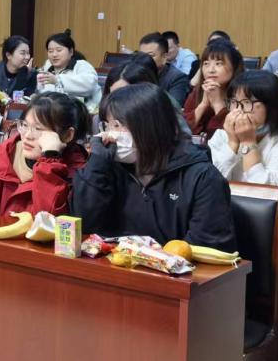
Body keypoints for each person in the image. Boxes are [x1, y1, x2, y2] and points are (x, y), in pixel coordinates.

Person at [71, 83, 236, 251]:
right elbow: (83, 227)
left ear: (149, 126)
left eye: (117, 125)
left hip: (173, 265)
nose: (108, 134)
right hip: (112, 262)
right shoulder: (109, 167)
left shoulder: (202, 177)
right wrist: (97, 164)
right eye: (106, 125)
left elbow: (206, 248)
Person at [0, 92, 88, 221]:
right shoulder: (0, 156)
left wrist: (50, 158)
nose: (27, 136)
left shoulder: (80, 175)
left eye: (38, 129)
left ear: (67, 135)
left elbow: (47, 222)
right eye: (25, 125)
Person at [209, 71, 278, 189]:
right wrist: (233, 143)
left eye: (247, 102)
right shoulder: (221, 137)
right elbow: (209, 184)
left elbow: (268, 193)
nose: (238, 110)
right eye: (234, 102)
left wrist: (248, 143)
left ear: (271, 107)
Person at [182, 40, 243, 138]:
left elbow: (229, 136)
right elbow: (182, 130)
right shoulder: (198, 91)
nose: (210, 70)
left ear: (234, 67)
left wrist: (217, 104)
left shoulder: (242, 94)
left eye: (218, 64)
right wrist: (203, 104)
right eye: (206, 64)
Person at [37, 30, 100, 107]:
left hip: (82, 111)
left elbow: (89, 85)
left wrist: (58, 80)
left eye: (59, 50)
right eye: (50, 51)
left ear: (71, 52)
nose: (54, 54)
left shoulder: (81, 65)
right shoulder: (47, 69)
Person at [139, 32, 191, 106]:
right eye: (141, 55)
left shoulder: (177, 78)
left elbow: (173, 107)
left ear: (164, 57)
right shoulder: (136, 73)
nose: (144, 59)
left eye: (150, 55)